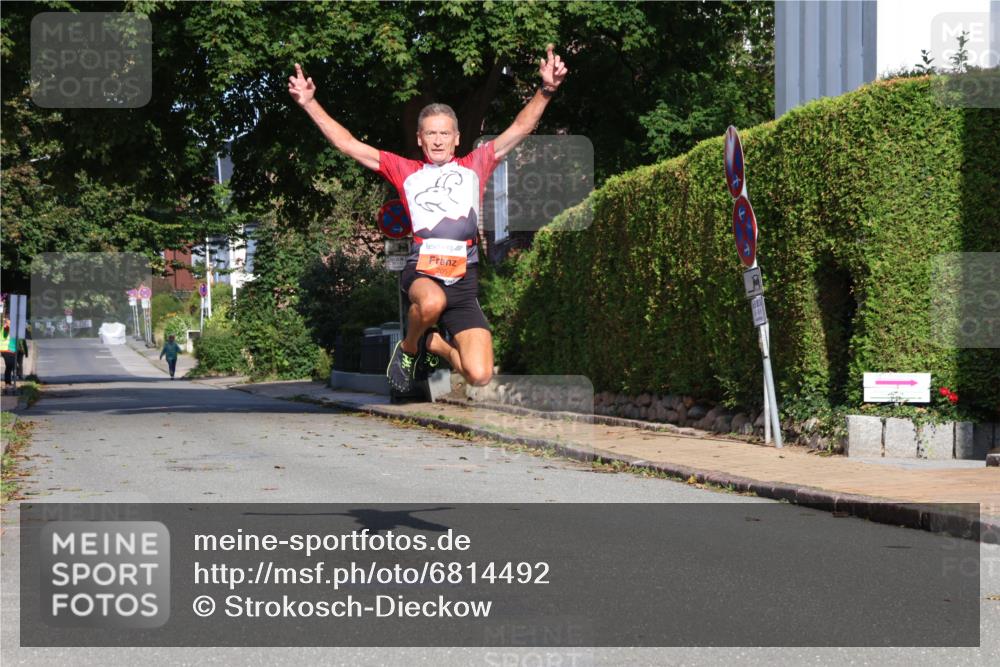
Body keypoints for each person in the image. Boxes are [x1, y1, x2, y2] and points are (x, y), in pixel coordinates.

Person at [288, 45, 568, 393]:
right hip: (422, 271)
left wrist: (547, 90)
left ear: (457, 138)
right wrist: (310, 103)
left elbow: (520, 128)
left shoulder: (475, 165)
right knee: (432, 301)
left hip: (464, 282)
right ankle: (408, 349)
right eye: (431, 134)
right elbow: (348, 144)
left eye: (445, 133)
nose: (438, 140)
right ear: (420, 139)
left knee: (479, 375)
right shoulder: (404, 170)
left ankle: (433, 344)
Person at [1, 318, 17, 390]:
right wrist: (7, 325)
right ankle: (7, 383)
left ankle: (11, 383)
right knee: (9, 366)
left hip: (12, 350)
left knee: (12, 366)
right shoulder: (6, 328)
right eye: (9, 322)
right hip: (6, 350)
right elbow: (5, 333)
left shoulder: (12, 329)